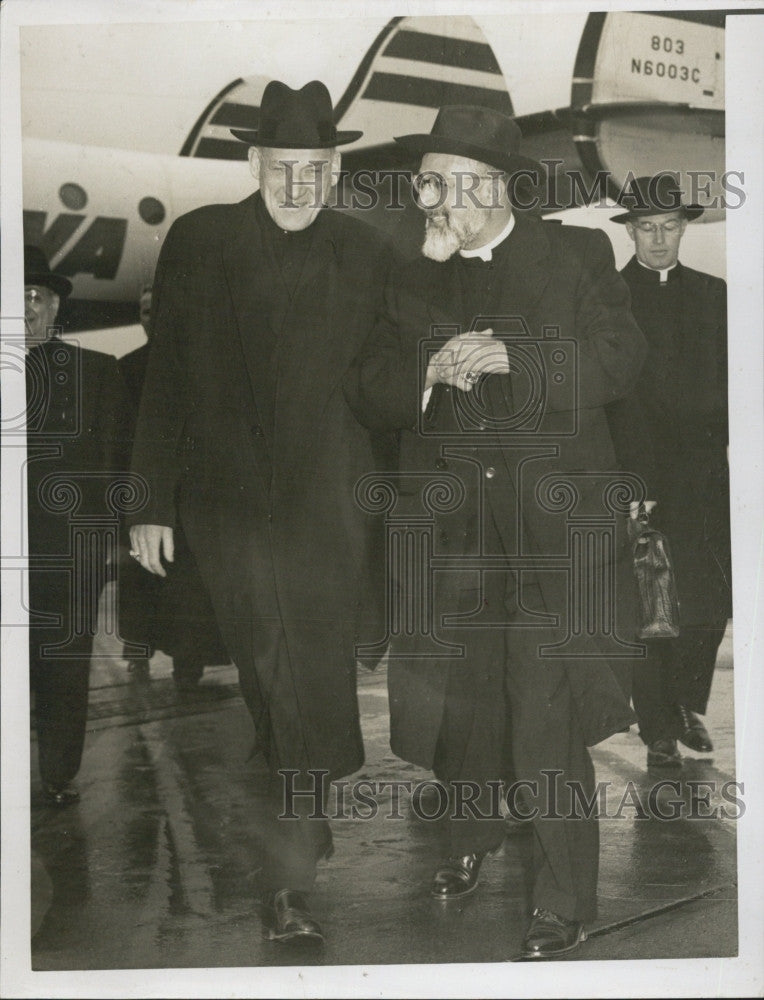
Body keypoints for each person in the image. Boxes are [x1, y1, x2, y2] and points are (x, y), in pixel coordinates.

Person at [345, 106, 647, 958]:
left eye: (451, 183)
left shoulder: (577, 254)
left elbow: (622, 359)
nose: (433, 198)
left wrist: (522, 357)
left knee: (544, 720)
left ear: (501, 186)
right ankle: (471, 838)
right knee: (464, 717)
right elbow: (368, 391)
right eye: (427, 182)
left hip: (550, 540)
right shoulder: (410, 275)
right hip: (452, 542)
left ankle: (565, 898)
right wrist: (425, 367)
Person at [127, 80, 395, 945]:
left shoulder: (364, 250)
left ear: (333, 168)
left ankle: (292, 852)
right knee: (273, 673)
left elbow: (390, 379)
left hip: (329, 508)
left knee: (304, 678)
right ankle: (295, 854)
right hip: (230, 511)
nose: (296, 184)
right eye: (281, 168)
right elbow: (163, 376)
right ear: (253, 163)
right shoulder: (199, 242)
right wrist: (149, 501)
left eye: (313, 168)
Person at [608, 173, 731, 767]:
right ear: (630, 231)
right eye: (647, 228)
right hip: (642, 477)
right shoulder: (608, 296)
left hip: (705, 476)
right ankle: (657, 726)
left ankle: (686, 703)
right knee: (650, 602)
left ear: (685, 229)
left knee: (709, 602)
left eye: (670, 228)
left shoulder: (717, 294)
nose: (658, 240)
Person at [24, 244, 127, 806]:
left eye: (35, 297)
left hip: (68, 561)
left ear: (56, 306)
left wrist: (113, 545)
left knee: (64, 677)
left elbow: (118, 464)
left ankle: (57, 778)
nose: (23, 310)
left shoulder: (95, 372)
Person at [117, 285, 229, 690]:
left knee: (187, 592)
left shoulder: (203, 363)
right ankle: (138, 652)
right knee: (141, 583)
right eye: (145, 311)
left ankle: (188, 666)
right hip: (144, 494)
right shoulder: (127, 367)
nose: (152, 318)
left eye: (157, 310)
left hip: (192, 497)